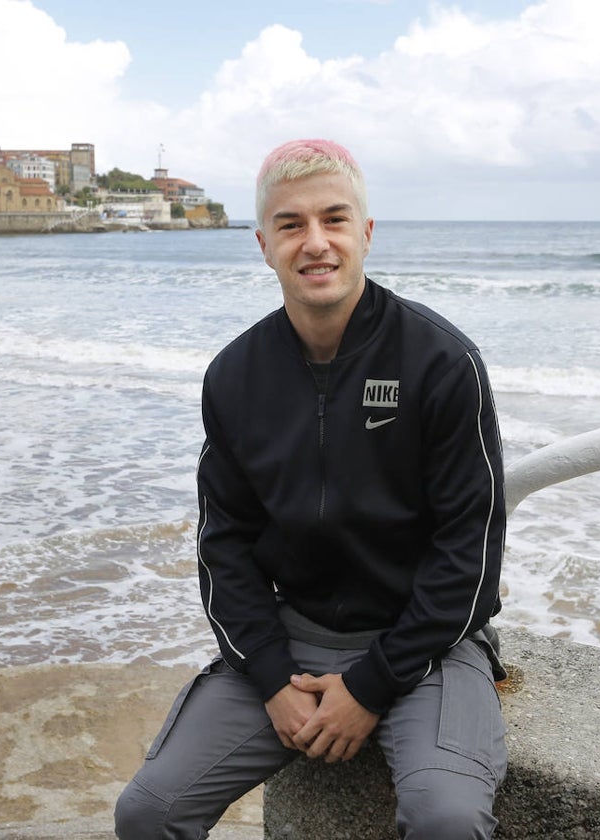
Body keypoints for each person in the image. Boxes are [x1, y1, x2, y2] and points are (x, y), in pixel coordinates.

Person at [114, 139, 508, 839]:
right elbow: (223, 546)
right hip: (291, 640)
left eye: (334, 219)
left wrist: (371, 684)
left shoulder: (443, 363)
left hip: (425, 646)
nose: (315, 243)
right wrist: (269, 677)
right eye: (292, 225)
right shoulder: (236, 375)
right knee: (149, 812)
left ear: (366, 232)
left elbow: (469, 555)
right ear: (264, 244)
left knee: (447, 819)